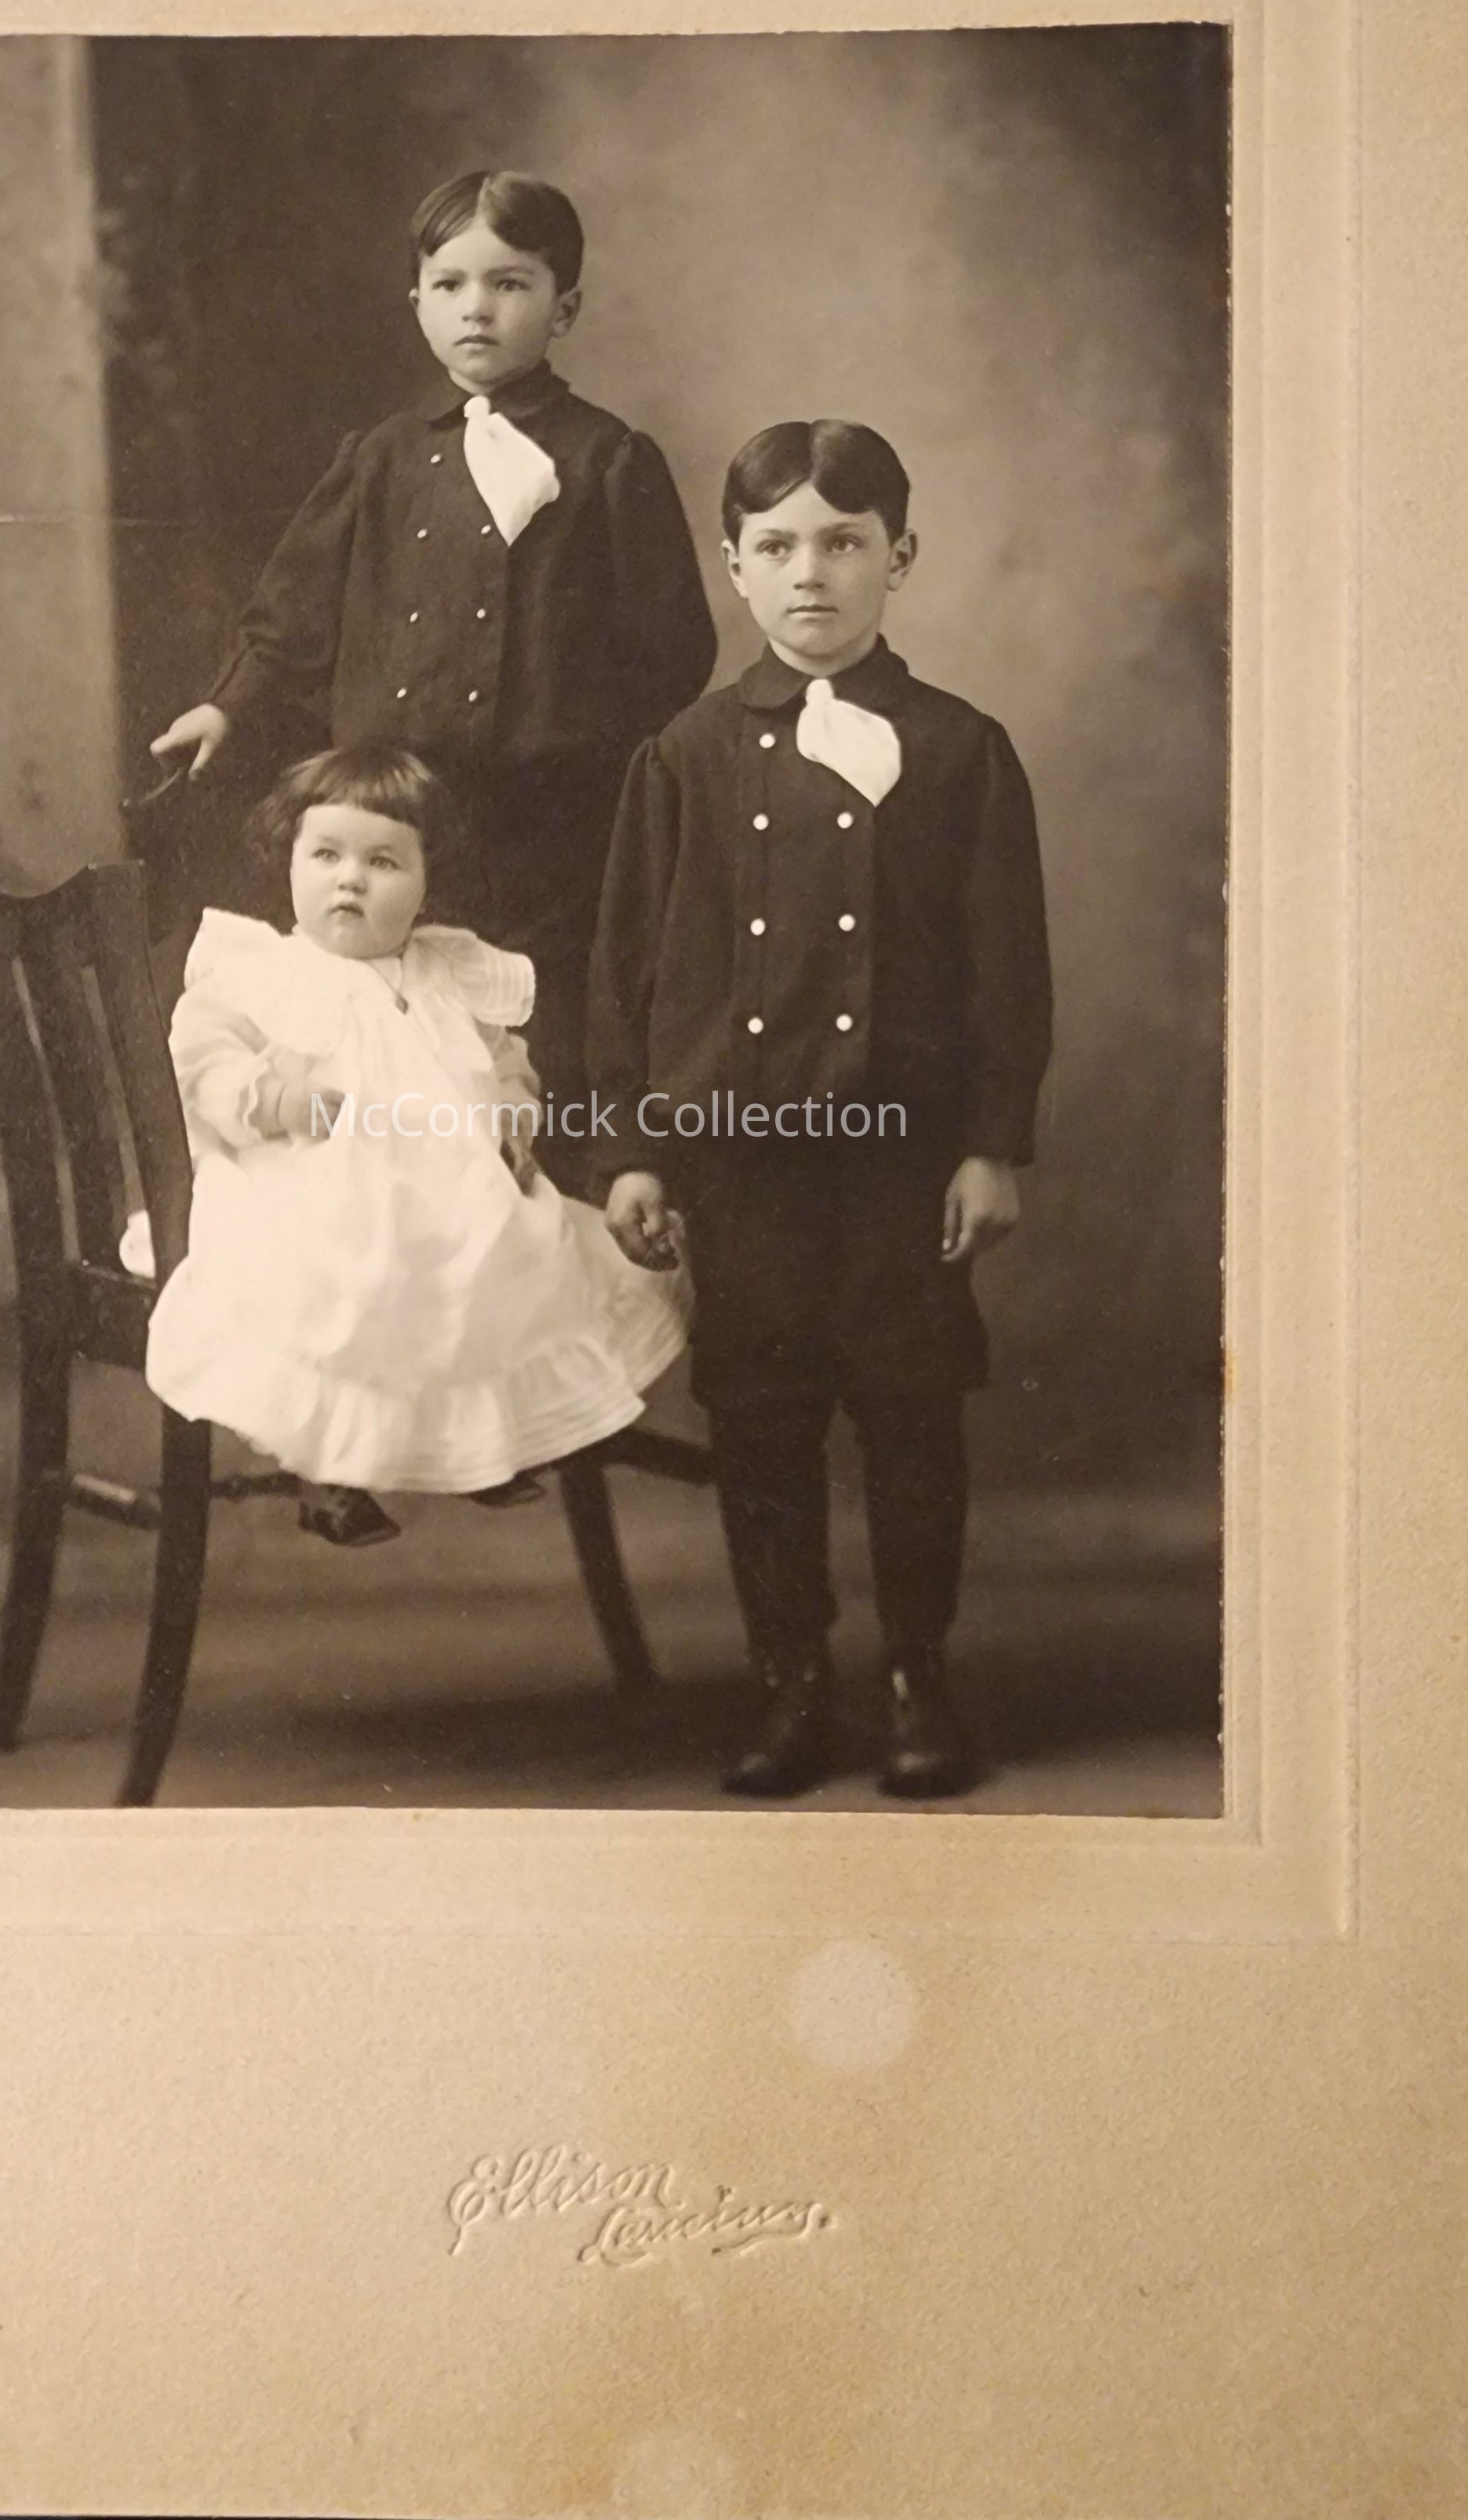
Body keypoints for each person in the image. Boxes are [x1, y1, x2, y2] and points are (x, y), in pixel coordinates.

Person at [588, 421, 1052, 1800]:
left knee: (912, 1411)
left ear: (899, 558)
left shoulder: (961, 750)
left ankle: (918, 1674)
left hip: (904, 1158)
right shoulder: (684, 755)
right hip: (743, 1160)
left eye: (844, 543)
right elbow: (626, 969)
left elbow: (1008, 967)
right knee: (762, 1416)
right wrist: (634, 1151)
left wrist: (992, 1144)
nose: (812, 574)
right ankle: (790, 1681)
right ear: (735, 565)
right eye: (778, 546)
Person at [148, 169, 717, 1158]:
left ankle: (535, 1218)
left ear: (564, 307)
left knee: (533, 1032)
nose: (476, 308)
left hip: (551, 831)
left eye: (510, 283)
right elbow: (293, 613)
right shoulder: (383, 458)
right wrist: (230, 705)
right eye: (450, 284)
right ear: (417, 302)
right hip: (395, 819)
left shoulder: (609, 460)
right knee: (395, 1034)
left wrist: (584, 747)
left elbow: (670, 649)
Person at [133, 745, 686, 1546]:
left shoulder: (447, 970)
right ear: (289, 860)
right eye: (326, 856)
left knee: (507, 1247)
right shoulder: (265, 972)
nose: (350, 880)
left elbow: (504, 1058)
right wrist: (275, 1099)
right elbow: (203, 1064)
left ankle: (483, 1445)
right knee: (349, 1272)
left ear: (428, 883)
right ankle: (329, 1467)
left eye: (383, 862)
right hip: (311, 1184)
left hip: (450, 1185)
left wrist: (510, 1112)